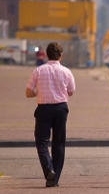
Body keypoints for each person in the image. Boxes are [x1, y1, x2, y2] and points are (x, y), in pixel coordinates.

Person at [25, 42, 75, 187]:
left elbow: (28, 92)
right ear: (61, 55)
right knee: (59, 143)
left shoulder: (38, 71)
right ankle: (55, 179)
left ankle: (48, 170)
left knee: (41, 142)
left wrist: (39, 92)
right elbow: (71, 92)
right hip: (60, 108)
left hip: (43, 108)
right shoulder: (66, 71)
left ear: (47, 55)